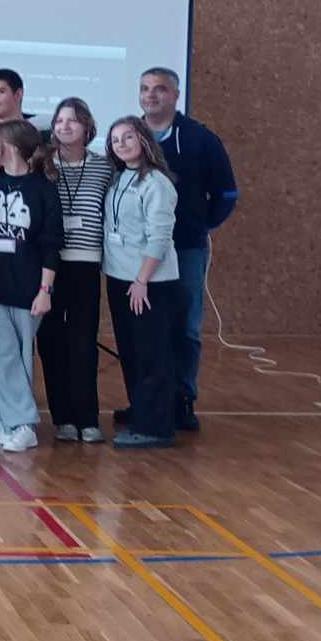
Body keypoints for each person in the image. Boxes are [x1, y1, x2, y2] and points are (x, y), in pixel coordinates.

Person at [139, 67, 236, 433]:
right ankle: (147, 400)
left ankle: (182, 398)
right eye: (145, 88)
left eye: (160, 89)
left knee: (185, 326)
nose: (151, 95)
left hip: (185, 249)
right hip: (136, 252)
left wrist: (199, 224)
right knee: (145, 328)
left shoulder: (200, 139)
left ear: (176, 96)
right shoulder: (129, 135)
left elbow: (227, 194)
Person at [0, 120, 62, 453]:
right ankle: (22, 423)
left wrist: (45, 291)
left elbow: (51, 244)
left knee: (18, 357)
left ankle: (13, 419)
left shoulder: (44, 190)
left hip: (28, 288)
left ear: (9, 147)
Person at [105, 115, 184, 449]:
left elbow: (160, 237)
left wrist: (142, 280)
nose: (121, 144)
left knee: (152, 353)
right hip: (120, 277)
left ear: (143, 140)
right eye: (115, 140)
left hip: (149, 283)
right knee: (132, 351)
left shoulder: (157, 183)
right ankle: (142, 408)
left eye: (128, 137)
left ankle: (156, 426)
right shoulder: (119, 177)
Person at [37, 98, 112, 443]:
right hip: (48, 266)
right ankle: (63, 418)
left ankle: (88, 418)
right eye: (60, 121)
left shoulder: (104, 167)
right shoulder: (41, 165)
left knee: (83, 342)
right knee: (51, 341)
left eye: (73, 120)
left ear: (87, 127)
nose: (65, 126)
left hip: (86, 263)